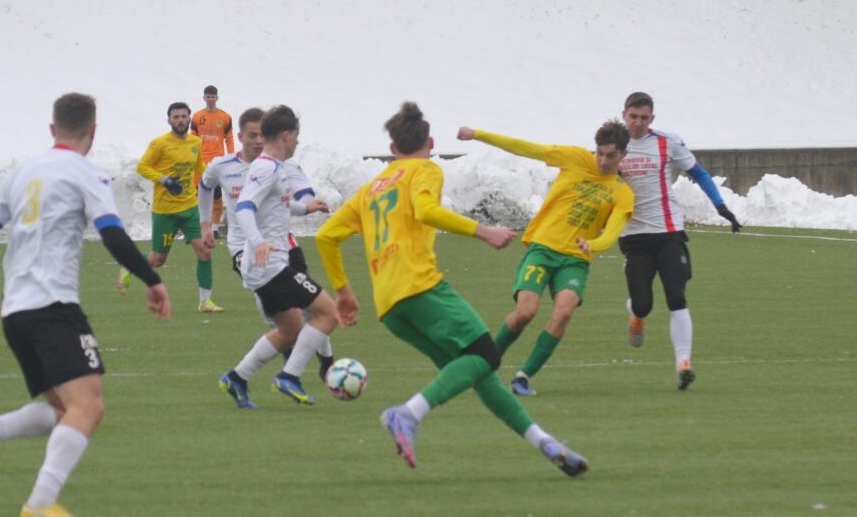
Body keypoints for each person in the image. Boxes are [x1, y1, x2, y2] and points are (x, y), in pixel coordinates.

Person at [315, 102, 588, 476]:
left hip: (390, 307)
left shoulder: (369, 191)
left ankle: (545, 443)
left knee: (477, 371)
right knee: (486, 353)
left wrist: (343, 291)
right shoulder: (426, 169)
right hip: (421, 287)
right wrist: (483, 231)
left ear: (392, 149)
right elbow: (426, 210)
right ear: (430, 143)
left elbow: (326, 236)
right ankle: (406, 414)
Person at [0, 93, 171, 517]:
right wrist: (152, 280)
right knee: (88, 407)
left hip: (16, 313)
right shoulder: (86, 173)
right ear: (93, 131)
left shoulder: (23, 172)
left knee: (62, 410)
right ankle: (39, 505)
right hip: (53, 308)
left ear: (53, 129)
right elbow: (112, 233)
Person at [457, 121, 635, 397]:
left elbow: (612, 232)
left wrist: (592, 244)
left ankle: (523, 377)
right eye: (599, 153)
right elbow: (527, 149)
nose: (602, 160)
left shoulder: (622, 192)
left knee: (564, 312)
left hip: (575, 259)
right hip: (542, 249)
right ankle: (484, 364)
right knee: (525, 313)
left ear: (623, 154)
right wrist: (478, 134)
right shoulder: (575, 158)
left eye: (610, 155)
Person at [198, 109, 335, 384]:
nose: (259, 140)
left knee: (302, 314)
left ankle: (317, 365)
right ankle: (291, 371)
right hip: (249, 251)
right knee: (294, 316)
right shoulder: (230, 166)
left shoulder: (280, 165)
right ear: (240, 137)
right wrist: (205, 224)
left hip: (283, 247)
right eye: (253, 135)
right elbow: (216, 192)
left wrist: (307, 206)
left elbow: (295, 196)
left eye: (262, 135)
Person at [618, 92, 742, 390]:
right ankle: (636, 316)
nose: (638, 123)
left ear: (652, 118)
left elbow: (698, 173)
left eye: (644, 118)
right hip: (634, 236)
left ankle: (683, 364)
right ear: (624, 115)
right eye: (633, 117)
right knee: (643, 304)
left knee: (676, 296)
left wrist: (721, 206)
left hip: (669, 231)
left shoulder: (667, 141)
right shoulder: (613, 146)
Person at [117, 101, 223, 313]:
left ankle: (205, 302)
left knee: (204, 252)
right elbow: (142, 167)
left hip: (190, 208)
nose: (180, 120)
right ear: (169, 121)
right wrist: (164, 179)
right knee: (158, 259)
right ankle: (130, 264)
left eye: (184, 116)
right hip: (165, 212)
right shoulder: (160, 144)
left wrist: (214, 179)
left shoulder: (195, 141)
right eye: (176, 117)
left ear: (189, 119)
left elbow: (199, 167)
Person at [191, 85, 235, 235]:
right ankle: (200, 228)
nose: (210, 99)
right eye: (208, 97)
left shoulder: (225, 117)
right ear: (204, 98)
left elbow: (229, 139)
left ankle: (215, 229)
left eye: (213, 97)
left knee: (216, 196)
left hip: (217, 162)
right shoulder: (197, 117)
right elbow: (192, 139)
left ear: (217, 98)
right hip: (200, 162)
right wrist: (192, 157)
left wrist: (231, 157)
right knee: (199, 196)